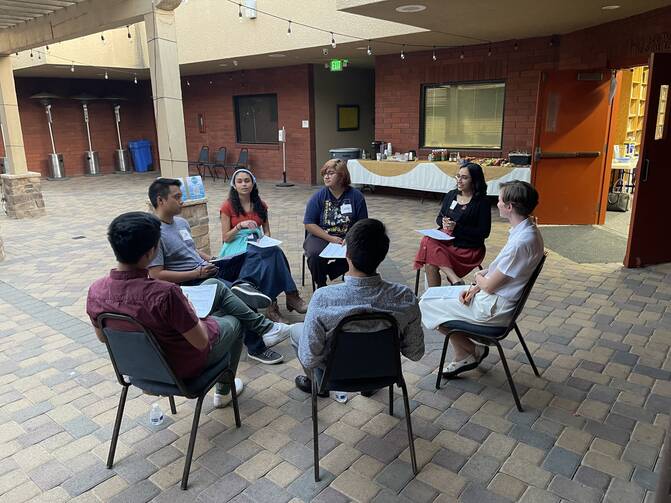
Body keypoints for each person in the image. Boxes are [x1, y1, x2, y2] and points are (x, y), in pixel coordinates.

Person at [86, 212, 271, 407]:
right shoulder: (165, 294)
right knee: (235, 321)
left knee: (213, 286)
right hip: (179, 369)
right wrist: (191, 311)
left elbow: (103, 337)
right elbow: (201, 342)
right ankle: (224, 390)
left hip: (137, 370)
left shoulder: (96, 291)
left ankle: (264, 328)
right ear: (151, 252)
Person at [146, 178, 288, 365]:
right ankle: (257, 346)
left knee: (254, 255)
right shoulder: (153, 233)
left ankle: (247, 287)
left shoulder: (180, 223)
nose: (182, 201)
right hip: (190, 281)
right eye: (177, 197)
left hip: (208, 269)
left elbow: (189, 249)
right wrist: (197, 274)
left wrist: (209, 258)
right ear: (161, 200)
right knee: (240, 296)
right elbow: (156, 275)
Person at [419, 180, 544, 378]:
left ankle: (468, 351)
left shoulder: (521, 242)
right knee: (434, 296)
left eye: (501, 200)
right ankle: (467, 352)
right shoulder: (528, 230)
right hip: (496, 298)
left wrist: (478, 278)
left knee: (426, 304)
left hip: (493, 310)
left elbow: (490, 283)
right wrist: (476, 287)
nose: (498, 204)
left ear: (510, 207)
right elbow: (499, 273)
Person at [291, 218, 424, 395]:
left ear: (347, 255)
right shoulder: (405, 297)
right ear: (383, 256)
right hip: (383, 371)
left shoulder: (323, 298)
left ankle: (320, 384)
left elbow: (309, 358)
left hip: (336, 372)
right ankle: (370, 386)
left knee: (295, 331)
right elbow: (415, 353)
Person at [220, 168, 307, 323]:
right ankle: (284, 299)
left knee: (275, 252)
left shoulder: (260, 204)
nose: (244, 184)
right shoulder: (227, 206)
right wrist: (240, 226)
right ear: (234, 185)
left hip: (256, 242)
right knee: (267, 257)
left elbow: (266, 230)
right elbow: (226, 238)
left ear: (253, 183)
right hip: (236, 244)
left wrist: (265, 240)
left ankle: (279, 301)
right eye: (239, 181)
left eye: (247, 181)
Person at [414, 163, 491, 286]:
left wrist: (457, 228)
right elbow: (439, 218)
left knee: (428, 244)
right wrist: (443, 222)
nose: (459, 181)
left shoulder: (482, 202)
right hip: (447, 240)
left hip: (467, 247)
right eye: (458, 176)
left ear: (475, 181)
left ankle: (439, 292)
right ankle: (453, 281)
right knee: (430, 256)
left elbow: (484, 233)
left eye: (464, 178)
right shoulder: (451, 195)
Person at [303, 159, 368, 289]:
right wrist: (330, 238)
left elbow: (363, 224)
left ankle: (330, 271)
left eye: (331, 173)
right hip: (322, 235)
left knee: (361, 253)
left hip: (348, 236)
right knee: (315, 255)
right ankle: (321, 285)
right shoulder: (319, 196)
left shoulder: (356, 196)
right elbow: (309, 223)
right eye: (324, 174)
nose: (326, 176)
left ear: (342, 175)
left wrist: (350, 237)